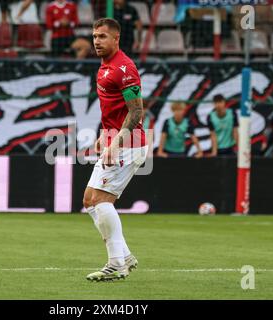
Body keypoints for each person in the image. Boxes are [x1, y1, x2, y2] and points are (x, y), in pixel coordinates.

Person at [83, 18, 148, 282]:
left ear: (116, 38)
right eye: (95, 36)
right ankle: (126, 256)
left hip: (128, 145)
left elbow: (136, 111)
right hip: (114, 140)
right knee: (89, 201)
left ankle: (116, 264)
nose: (97, 41)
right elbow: (113, 109)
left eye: (102, 37)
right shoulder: (104, 66)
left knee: (101, 201)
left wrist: (115, 143)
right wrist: (103, 133)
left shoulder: (124, 67)